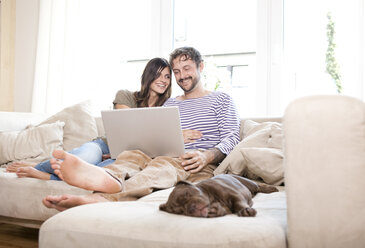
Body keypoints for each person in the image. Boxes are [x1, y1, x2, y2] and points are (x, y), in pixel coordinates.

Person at [42, 47, 240, 212]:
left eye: (186, 68)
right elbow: (155, 136)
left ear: (200, 66)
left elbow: (232, 137)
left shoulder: (221, 100)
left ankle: (100, 197)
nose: (181, 76)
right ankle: (108, 177)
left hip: (193, 161)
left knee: (162, 166)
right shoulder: (170, 103)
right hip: (164, 154)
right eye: (176, 71)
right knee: (132, 154)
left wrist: (207, 156)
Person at [6, 57, 178, 180]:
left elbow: (158, 147)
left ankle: (47, 177)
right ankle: (36, 168)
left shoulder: (167, 108)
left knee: (100, 173)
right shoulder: (125, 96)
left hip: (123, 157)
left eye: (167, 76)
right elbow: (124, 129)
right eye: (158, 74)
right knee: (85, 158)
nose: (163, 80)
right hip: (105, 145)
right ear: (148, 76)